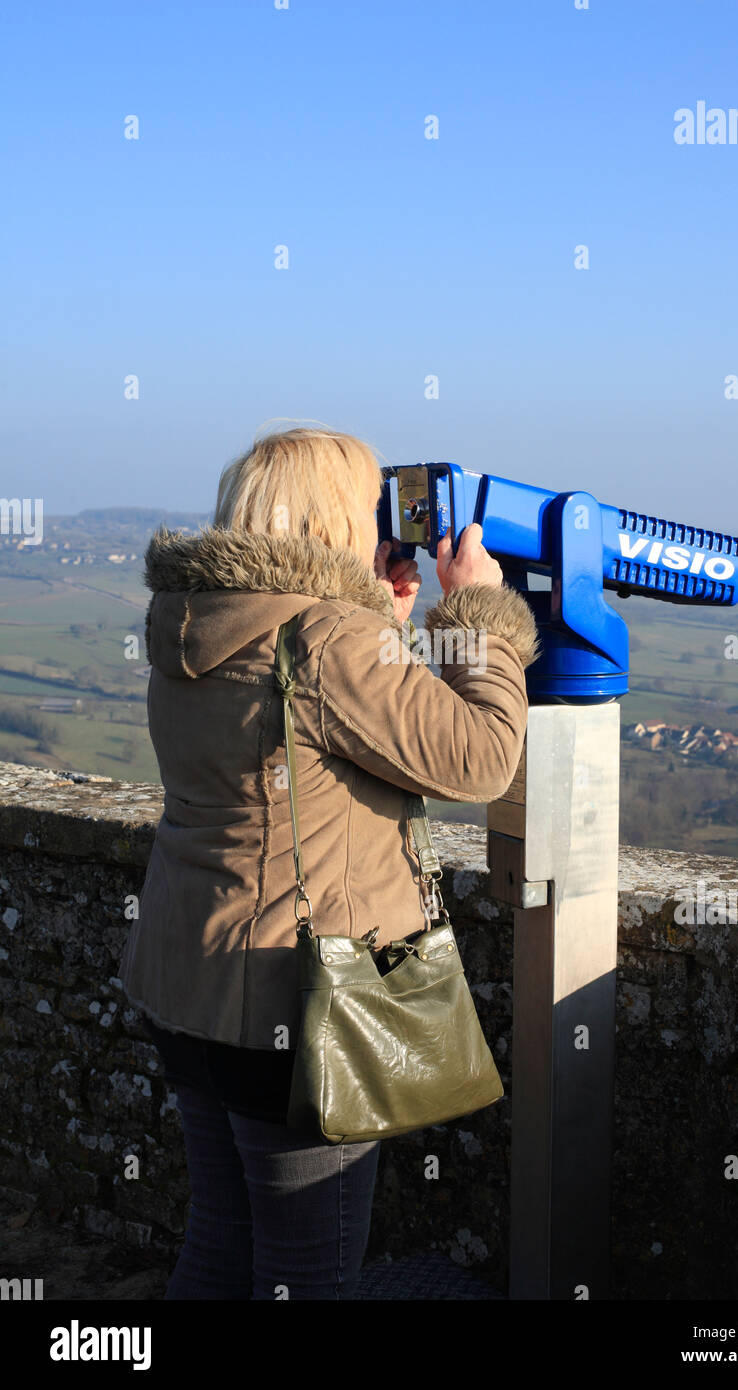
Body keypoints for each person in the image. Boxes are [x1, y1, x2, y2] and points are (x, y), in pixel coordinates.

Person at [118, 425, 539, 1300]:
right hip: (295, 1010)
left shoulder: (191, 623)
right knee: (308, 1278)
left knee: (221, 1251)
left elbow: (309, 735)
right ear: (334, 518)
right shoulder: (327, 640)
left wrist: (378, 625)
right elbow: (478, 756)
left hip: (186, 986)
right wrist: (477, 619)